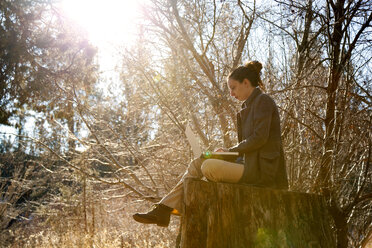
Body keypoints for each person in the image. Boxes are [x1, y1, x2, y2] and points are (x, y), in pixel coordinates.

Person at [133, 61, 288, 227]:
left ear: (246, 82)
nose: (231, 93)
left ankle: (175, 210)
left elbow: (259, 138)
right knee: (198, 162)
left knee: (208, 167)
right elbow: (248, 146)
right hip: (248, 163)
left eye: (233, 87)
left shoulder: (263, 100)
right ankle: (163, 210)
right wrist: (226, 154)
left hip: (262, 171)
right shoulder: (245, 108)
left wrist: (229, 151)